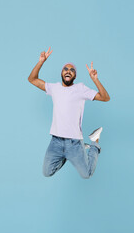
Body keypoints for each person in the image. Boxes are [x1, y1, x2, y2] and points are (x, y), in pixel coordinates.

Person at [28, 47, 110, 179]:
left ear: (75, 76)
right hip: (56, 141)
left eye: (72, 70)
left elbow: (105, 98)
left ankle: (94, 142)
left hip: (74, 142)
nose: (68, 71)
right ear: (62, 73)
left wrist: (95, 79)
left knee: (86, 174)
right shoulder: (54, 88)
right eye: (66, 69)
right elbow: (32, 79)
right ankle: (74, 153)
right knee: (47, 172)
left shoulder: (81, 89)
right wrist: (41, 62)